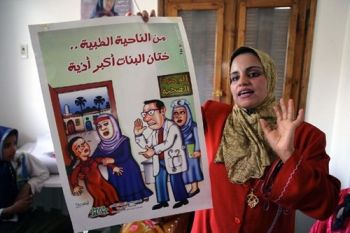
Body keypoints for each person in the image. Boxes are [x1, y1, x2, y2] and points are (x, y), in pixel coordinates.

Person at [190, 46, 341, 233]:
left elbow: (325, 205)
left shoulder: (305, 135)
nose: (242, 82)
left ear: (270, 77)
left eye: (253, 74)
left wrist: (288, 155)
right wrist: (152, 35)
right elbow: (164, 109)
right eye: (235, 77)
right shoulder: (213, 118)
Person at [0, 125, 73, 233]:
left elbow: (43, 172)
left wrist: (28, 186)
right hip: (4, 224)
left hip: (25, 216)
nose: (13, 149)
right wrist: (12, 209)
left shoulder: (20, 159)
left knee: (66, 223)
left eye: (15, 143)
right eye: (7, 146)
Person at [134, 99, 189, 209]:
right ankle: (163, 201)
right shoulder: (155, 132)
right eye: (144, 114)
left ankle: (182, 199)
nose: (146, 118)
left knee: (175, 180)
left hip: (172, 160)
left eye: (150, 113)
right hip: (159, 161)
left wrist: (153, 151)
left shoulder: (172, 127)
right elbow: (147, 145)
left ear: (162, 111)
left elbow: (167, 143)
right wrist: (138, 135)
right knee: (159, 180)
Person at [92, 113, 153, 204]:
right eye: (99, 126)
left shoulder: (124, 140)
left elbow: (125, 156)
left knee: (132, 185)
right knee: (119, 190)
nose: (103, 128)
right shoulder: (101, 146)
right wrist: (102, 160)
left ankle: (138, 196)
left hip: (129, 169)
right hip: (114, 172)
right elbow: (94, 158)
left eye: (105, 124)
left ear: (114, 125)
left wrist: (112, 160)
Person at [67, 136, 122, 218]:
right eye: (78, 147)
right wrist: (75, 186)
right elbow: (73, 176)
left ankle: (114, 207)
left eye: (83, 143)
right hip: (92, 186)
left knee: (110, 189)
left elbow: (104, 161)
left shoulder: (94, 159)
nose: (83, 147)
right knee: (100, 196)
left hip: (102, 181)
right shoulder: (79, 166)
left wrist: (113, 167)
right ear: (75, 153)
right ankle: (98, 211)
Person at [171, 99, 203, 197]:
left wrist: (198, 150)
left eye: (182, 113)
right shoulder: (174, 128)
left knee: (192, 169)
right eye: (175, 113)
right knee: (183, 170)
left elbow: (197, 139)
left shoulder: (193, 126)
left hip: (191, 150)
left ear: (188, 114)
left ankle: (195, 187)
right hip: (180, 152)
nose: (178, 116)